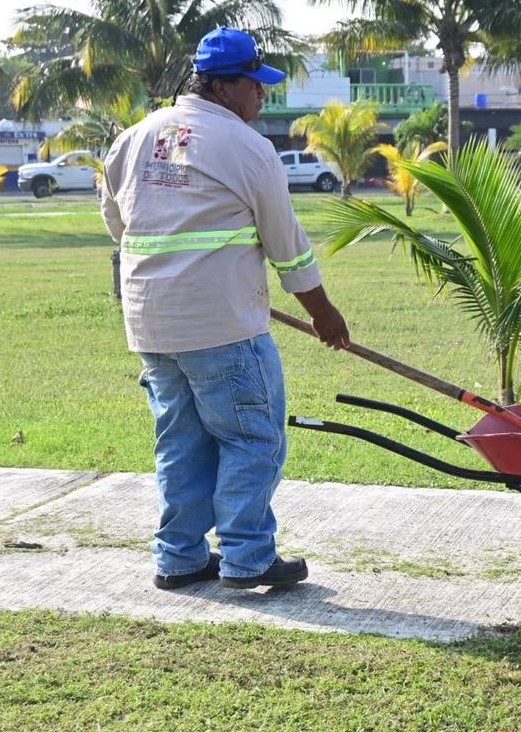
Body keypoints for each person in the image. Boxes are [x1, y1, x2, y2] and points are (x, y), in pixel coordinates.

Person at [100, 27, 350, 591]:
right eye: (254, 85)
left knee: (180, 440)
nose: (262, 96)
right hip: (223, 325)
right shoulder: (246, 147)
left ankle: (180, 557)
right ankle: (247, 557)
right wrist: (323, 313)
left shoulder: (134, 139)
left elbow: (119, 223)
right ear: (221, 86)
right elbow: (288, 245)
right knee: (251, 437)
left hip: (152, 325)